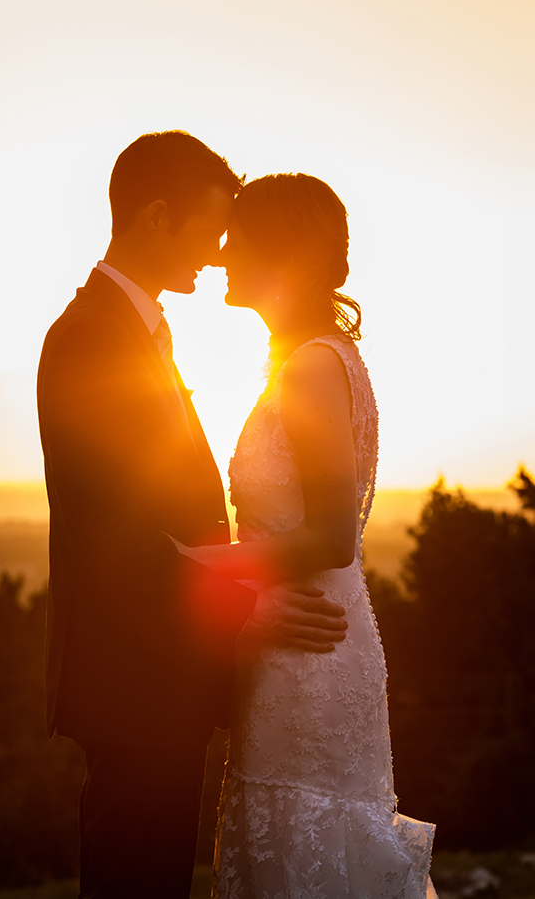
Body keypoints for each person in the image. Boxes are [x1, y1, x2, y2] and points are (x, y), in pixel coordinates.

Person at [36, 132, 349, 899]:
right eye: (209, 229)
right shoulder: (88, 340)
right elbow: (115, 541)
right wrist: (245, 612)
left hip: (163, 679)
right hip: (132, 685)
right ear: (154, 216)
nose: (216, 253)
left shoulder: (139, 333)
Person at [173, 173, 438, 898]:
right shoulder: (309, 358)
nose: (223, 255)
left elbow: (328, 537)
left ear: (278, 251)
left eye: (238, 239)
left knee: (306, 839)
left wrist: (208, 565)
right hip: (297, 641)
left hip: (310, 654)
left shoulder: (316, 366)